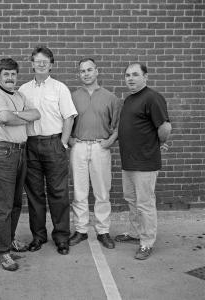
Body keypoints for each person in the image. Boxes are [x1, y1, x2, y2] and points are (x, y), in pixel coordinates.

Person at [0, 58, 40, 271]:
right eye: (5, 74)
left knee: (16, 203)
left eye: (13, 74)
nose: (9, 78)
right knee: (3, 205)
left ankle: (9, 238)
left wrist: (14, 116)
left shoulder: (20, 95)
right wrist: (18, 117)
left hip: (21, 152)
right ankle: (2, 251)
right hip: (2, 152)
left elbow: (36, 114)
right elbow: (4, 117)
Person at [19, 45, 77, 255]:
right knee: (34, 194)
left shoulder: (60, 88)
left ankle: (62, 237)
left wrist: (62, 143)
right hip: (31, 145)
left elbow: (69, 117)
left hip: (54, 144)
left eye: (46, 61)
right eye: (37, 61)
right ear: (32, 63)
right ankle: (38, 236)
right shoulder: (23, 90)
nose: (41, 64)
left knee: (59, 193)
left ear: (51, 65)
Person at [116, 63, 171, 260]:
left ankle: (147, 242)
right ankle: (135, 233)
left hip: (145, 163)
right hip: (129, 162)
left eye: (135, 75)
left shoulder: (152, 97)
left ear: (145, 77)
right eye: (127, 75)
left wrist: (160, 142)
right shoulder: (130, 99)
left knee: (145, 203)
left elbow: (165, 126)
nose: (130, 78)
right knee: (131, 200)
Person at [68, 58, 120, 249]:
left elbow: (117, 126)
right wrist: (70, 140)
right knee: (79, 192)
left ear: (97, 71)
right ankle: (81, 230)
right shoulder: (72, 97)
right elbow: (64, 122)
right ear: (79, 74)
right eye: (82, 71)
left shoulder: (110, 97)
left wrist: (109, 141)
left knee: (102, 191)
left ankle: (103, 231)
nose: (86, 74)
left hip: (100, 147)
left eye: (90, 70)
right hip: (79, 146)